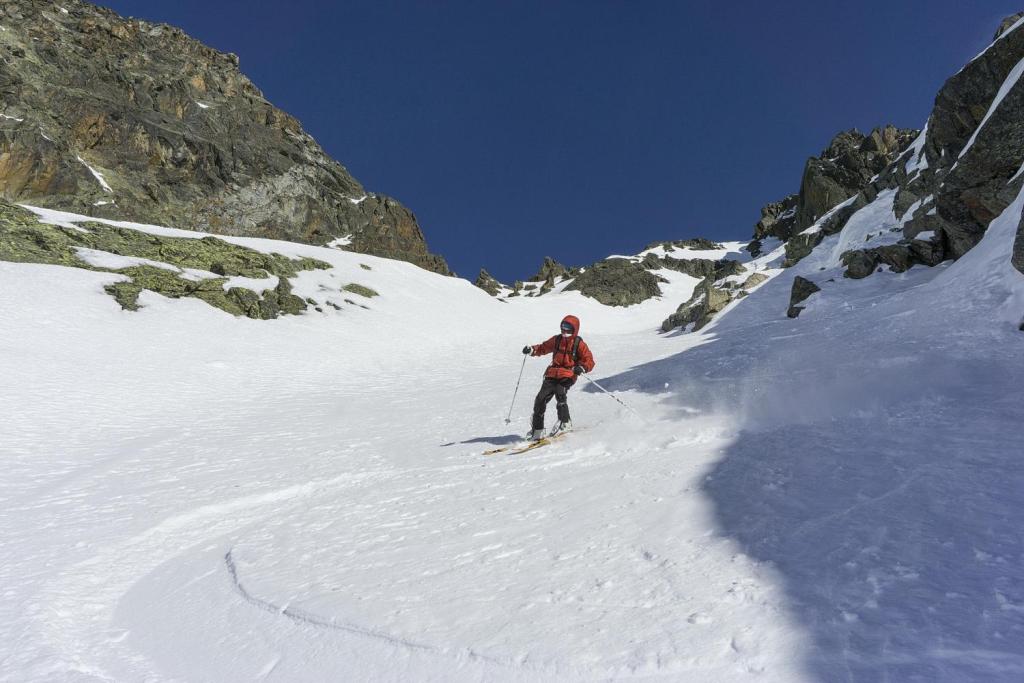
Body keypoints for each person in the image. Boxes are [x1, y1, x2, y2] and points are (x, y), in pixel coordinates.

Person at [522, 315, 595, 440]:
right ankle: (538, 430)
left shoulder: (579, 344)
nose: (564, 331)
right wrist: (532, 350)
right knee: (540, 399)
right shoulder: (557, 340)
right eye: (563, 327)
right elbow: (543, 348)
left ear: (574, 329)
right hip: (552, 373)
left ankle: (565, 422)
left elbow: (589, 360)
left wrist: (582, 367)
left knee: (560, 392)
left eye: (568, 328)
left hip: (568, 374)